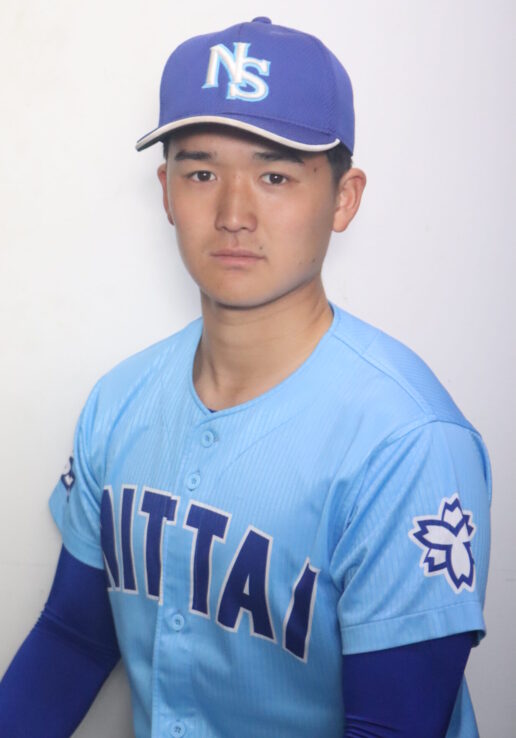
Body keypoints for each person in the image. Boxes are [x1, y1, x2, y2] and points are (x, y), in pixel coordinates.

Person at [0, 17, 491, 738]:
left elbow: (391, 729)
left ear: (344, 197)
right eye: (202, 173)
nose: (233, 214)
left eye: (274, 175)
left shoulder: (408, 442)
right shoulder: (118, 400)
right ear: (166, 192)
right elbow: (73, 639)